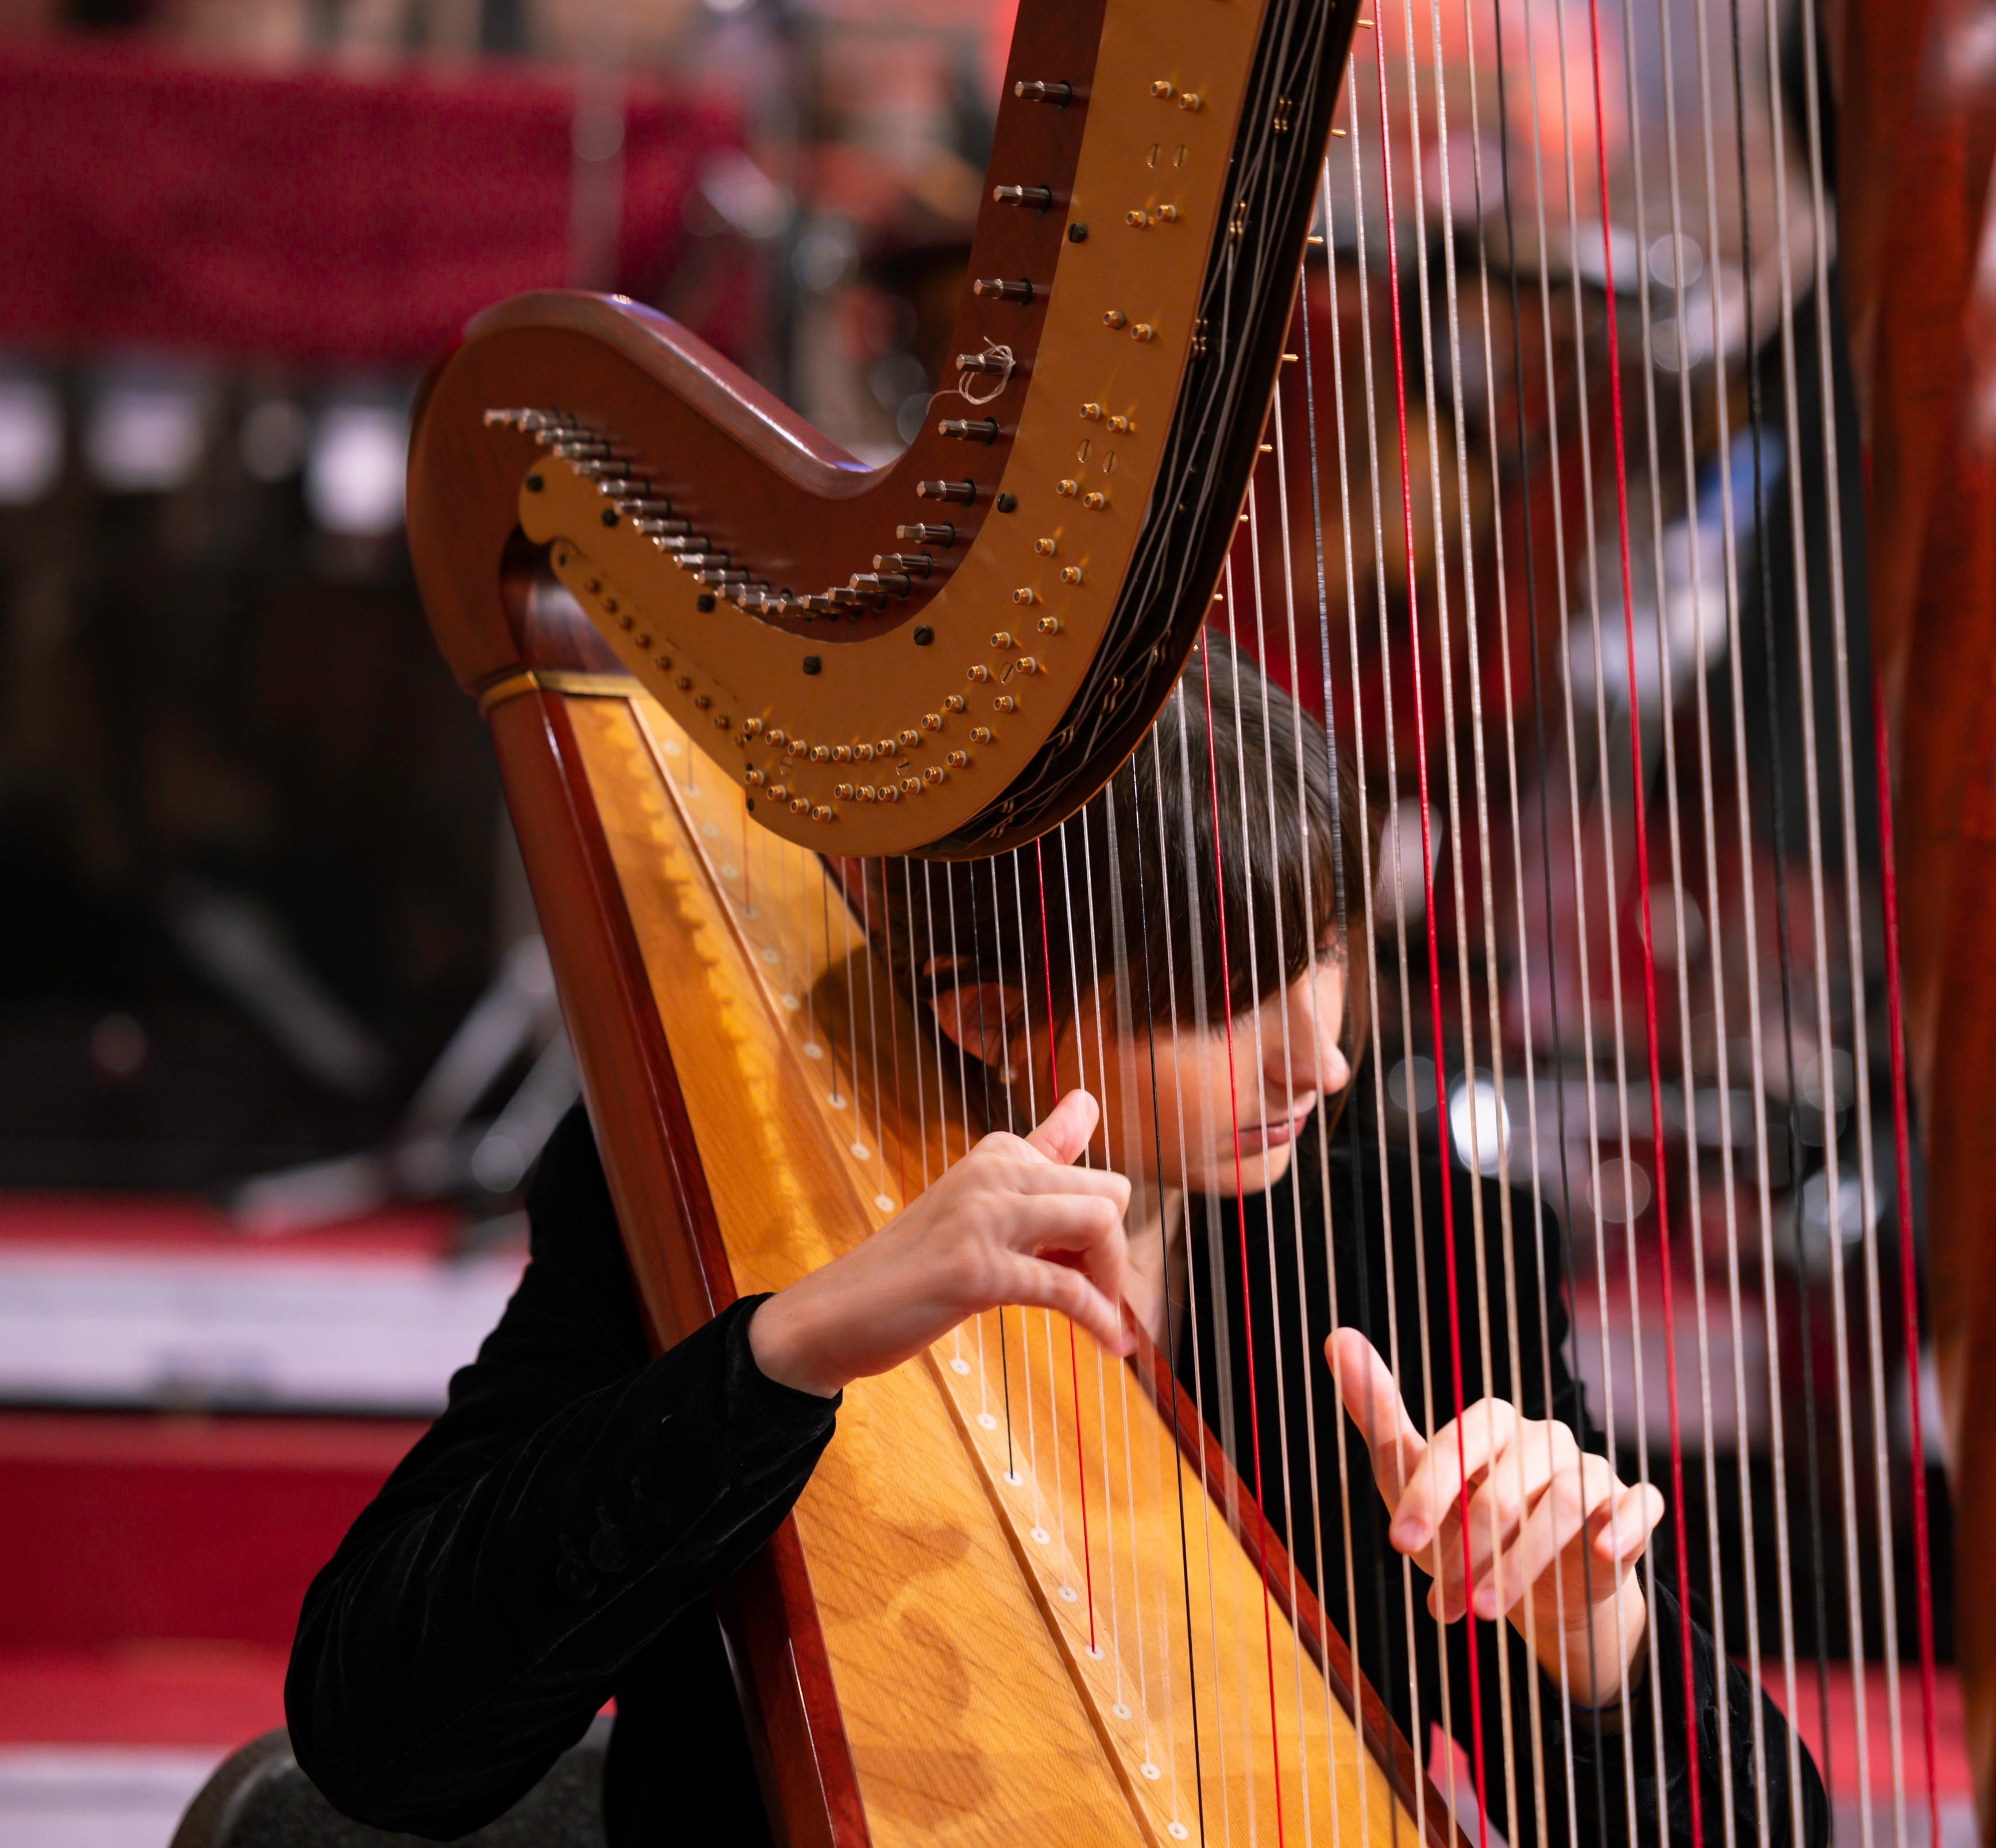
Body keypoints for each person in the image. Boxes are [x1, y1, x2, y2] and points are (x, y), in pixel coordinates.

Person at [285, 642, 1825, 1847]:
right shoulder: (688, 1193)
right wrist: (786, 1349)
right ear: (985, 1014)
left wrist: (1598, 1636)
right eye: (1231, 1002)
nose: (1324, 1064)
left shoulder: (1415, 1236)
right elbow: (381, 1735)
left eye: (1331, 956)